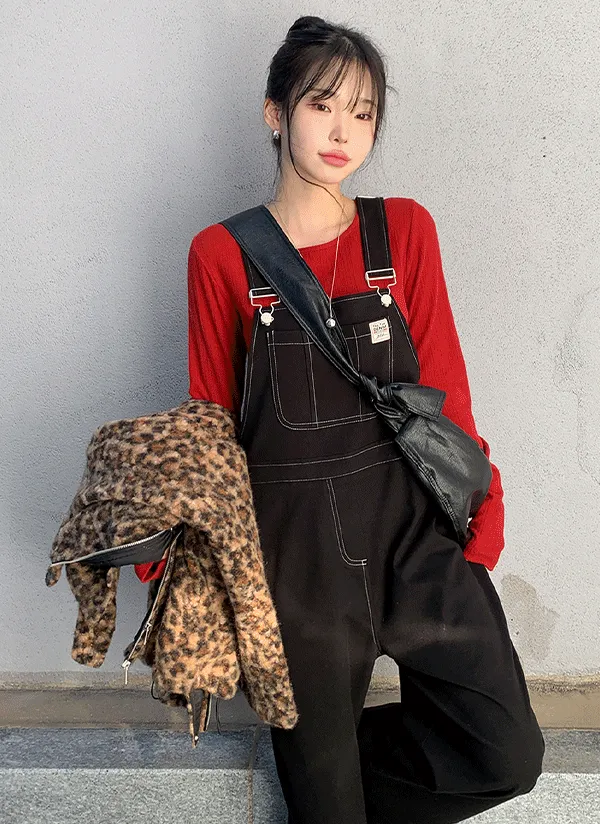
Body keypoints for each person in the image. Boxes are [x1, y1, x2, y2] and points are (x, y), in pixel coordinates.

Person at [140, 15, 546, 824]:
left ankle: (329, 787)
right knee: (325, 803)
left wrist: (483, 512)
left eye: (363, 113)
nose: (343, 132)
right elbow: (211, 423)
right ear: (275, 112)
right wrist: (186, 555)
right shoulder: (221, 254)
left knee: (504, 752)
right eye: (322, 105)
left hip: (413, 538)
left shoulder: (405, 232)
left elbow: (447, 390)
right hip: (297, 567)